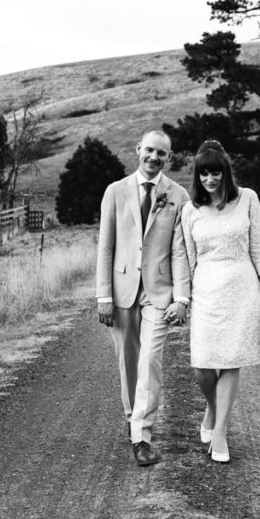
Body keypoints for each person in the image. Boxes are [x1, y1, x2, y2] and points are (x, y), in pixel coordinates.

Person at [96, 129, 191, 466]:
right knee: (128, 361)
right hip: (121, 291)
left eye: (162, 154)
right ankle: (131, 416)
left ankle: (142, 436)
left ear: (170, 158)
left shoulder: (178, 195)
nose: (154, 158)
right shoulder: (115, 191)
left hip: (159, 292)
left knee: (150, 358)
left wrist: (182, 297)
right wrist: (103, 295)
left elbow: (181, 252)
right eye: (149, 150)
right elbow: (105, 246)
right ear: (138, 149)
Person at [180, 140, 260, 463]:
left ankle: (220, 432)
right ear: (198, 176)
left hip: (242, 288)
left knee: (231, 359)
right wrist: (185, 297)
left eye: (216, 172)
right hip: (206, 290)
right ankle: (213, 407)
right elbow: (188, 259)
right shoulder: (190, 210)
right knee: (202, 366)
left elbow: (259, 247)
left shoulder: (248, 199)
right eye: (204, 173)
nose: (210, 179)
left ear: (226, 172)